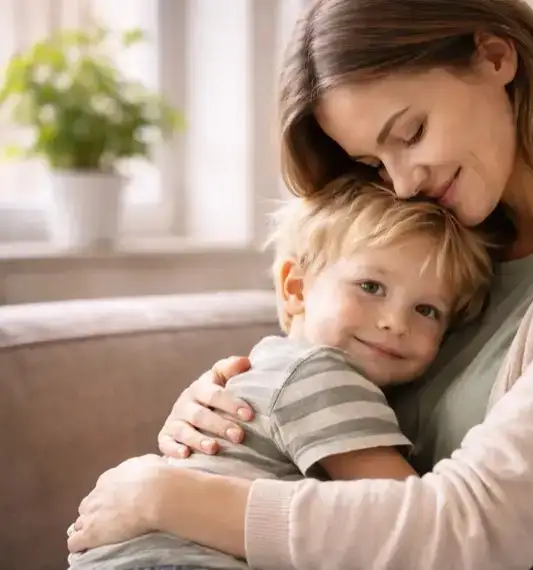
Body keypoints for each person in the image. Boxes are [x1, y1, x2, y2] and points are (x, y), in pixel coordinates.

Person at [67, 0, 533, 568]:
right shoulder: (453, 247)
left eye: (411, 131)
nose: (403, 182)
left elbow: (474, 529)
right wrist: (238, 410)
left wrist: (168, 497)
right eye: (373, 160)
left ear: (494, 56)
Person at [67, 175, 493, 570]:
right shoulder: (324, 375)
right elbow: (408, 519)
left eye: (426, 310)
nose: (396, 322)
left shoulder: (270, 364)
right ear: (296, 288)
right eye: (371, 287)